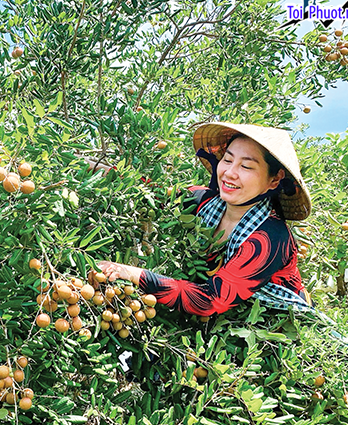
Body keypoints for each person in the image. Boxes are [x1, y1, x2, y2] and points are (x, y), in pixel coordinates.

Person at [97, 122, 314, 317]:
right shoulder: (206, 201)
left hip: (273, 331)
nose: (230, 173)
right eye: (227, 160)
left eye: (246, 166)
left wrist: (131, 273)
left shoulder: (269, 238)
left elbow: (210, 300)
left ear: (274, 180)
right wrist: (100, 171)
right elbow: (155, 194)